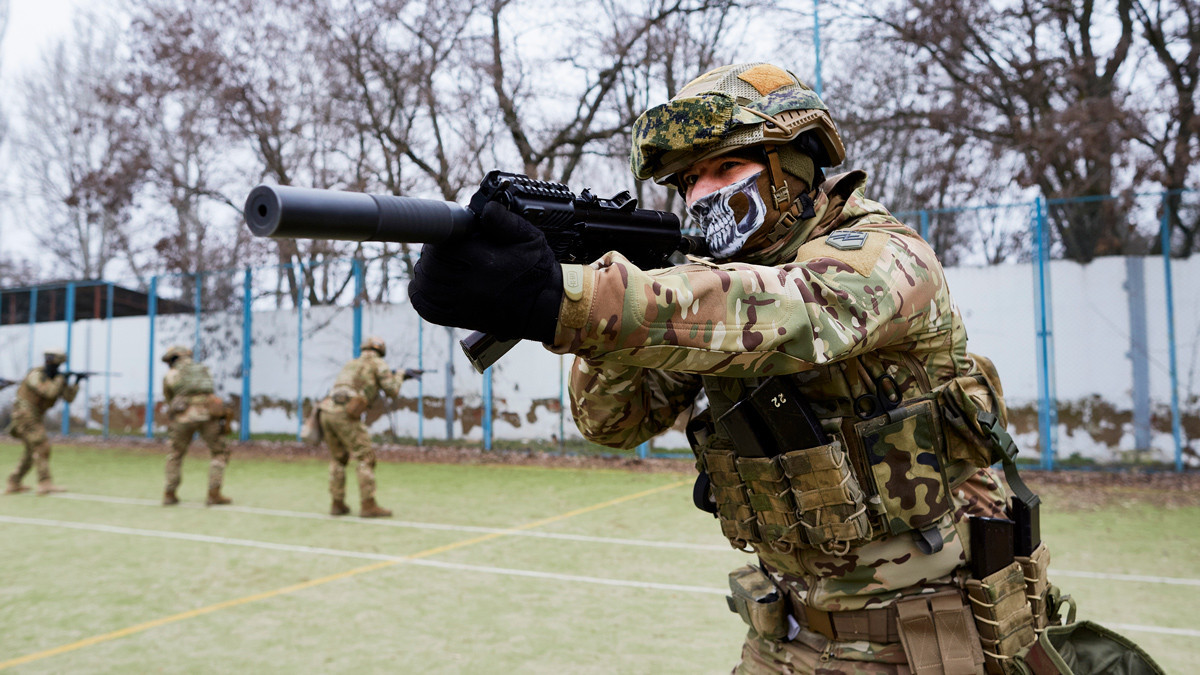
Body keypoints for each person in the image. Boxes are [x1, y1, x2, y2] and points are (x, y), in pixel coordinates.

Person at [409, 63, 1059, 673]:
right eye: (689, 180)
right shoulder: (695, 292)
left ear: (793, 165)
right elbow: (611, 419)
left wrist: (572, 297)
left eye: (726, 166)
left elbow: (782, 313)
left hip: (927, 645)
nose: (703, 192)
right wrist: (595, 301)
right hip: (785, 639)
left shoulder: (885, 256)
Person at [315, 336, 421, 518]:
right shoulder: (379, 364)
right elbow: (392, 390)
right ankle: (368, 505)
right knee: (365, 457)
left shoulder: (351, 363)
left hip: (325, 410)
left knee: (338, 458)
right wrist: (401, 375)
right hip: (345, 413)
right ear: (381, 350)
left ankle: (337, 504)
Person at [161, 345, 232, 506]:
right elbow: (210, 391)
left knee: (176, 454)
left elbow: (169, 398)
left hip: (182, 417)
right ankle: (214, 493)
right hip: (208, 415)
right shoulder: (203, 369)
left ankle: (169, 493)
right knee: (219, 453)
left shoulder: (171, 375)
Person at [5, 349, 78, 495]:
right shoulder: (36, 375)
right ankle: (44, 483)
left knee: (32, 450)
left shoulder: (55, 378)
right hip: (24, 415)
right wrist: (59, 379)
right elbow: (49, 392)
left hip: (34, 416)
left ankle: (14, 482)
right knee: (41, 445)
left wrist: (76, 382)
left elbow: (68, 398)